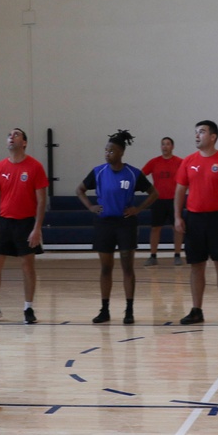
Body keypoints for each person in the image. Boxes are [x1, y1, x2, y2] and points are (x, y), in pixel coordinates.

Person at [76, 130, 158, 324]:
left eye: (111, 150)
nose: (107, 153)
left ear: (121, 152)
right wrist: (90, 206)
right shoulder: (98, 172)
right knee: (106, 268)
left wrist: (138, 208)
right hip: (103, 223)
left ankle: (129, 310)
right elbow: (79, 190)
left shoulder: (133, 173)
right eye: (106, 150)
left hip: (125, 224)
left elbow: (154, 193)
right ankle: (104, 309)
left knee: (127, 268)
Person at [174, 120, 218, 326]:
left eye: (202, 132)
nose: (197, 135)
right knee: (196, 266)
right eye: (196, 132)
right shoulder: (188, 161)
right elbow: (179, 190)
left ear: (213, 136)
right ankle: (196, 310)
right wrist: (178, 216)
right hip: (194, 219)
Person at [0, 128, 49, 324]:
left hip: (26, 223)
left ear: (24, 142)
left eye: (16, 134)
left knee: (27, 267)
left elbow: (41, 200)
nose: (11, 136)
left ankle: (28, 308)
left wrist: (37, 228)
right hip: (3, 223)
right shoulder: (0, 167)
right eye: (9, 134)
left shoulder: (35, 167)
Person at [141, 137, 184, 266]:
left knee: (177, 228)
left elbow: (188, 177)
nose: (165, 146)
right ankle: (153, 256)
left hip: (174, 200)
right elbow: (141, 175)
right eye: (163, 144)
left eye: (168, 144)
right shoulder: (154, 162)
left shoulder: (180, 162)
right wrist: (148, 189)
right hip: (158, 200)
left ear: (172, 146)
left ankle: (177, 255)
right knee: (155, 228)